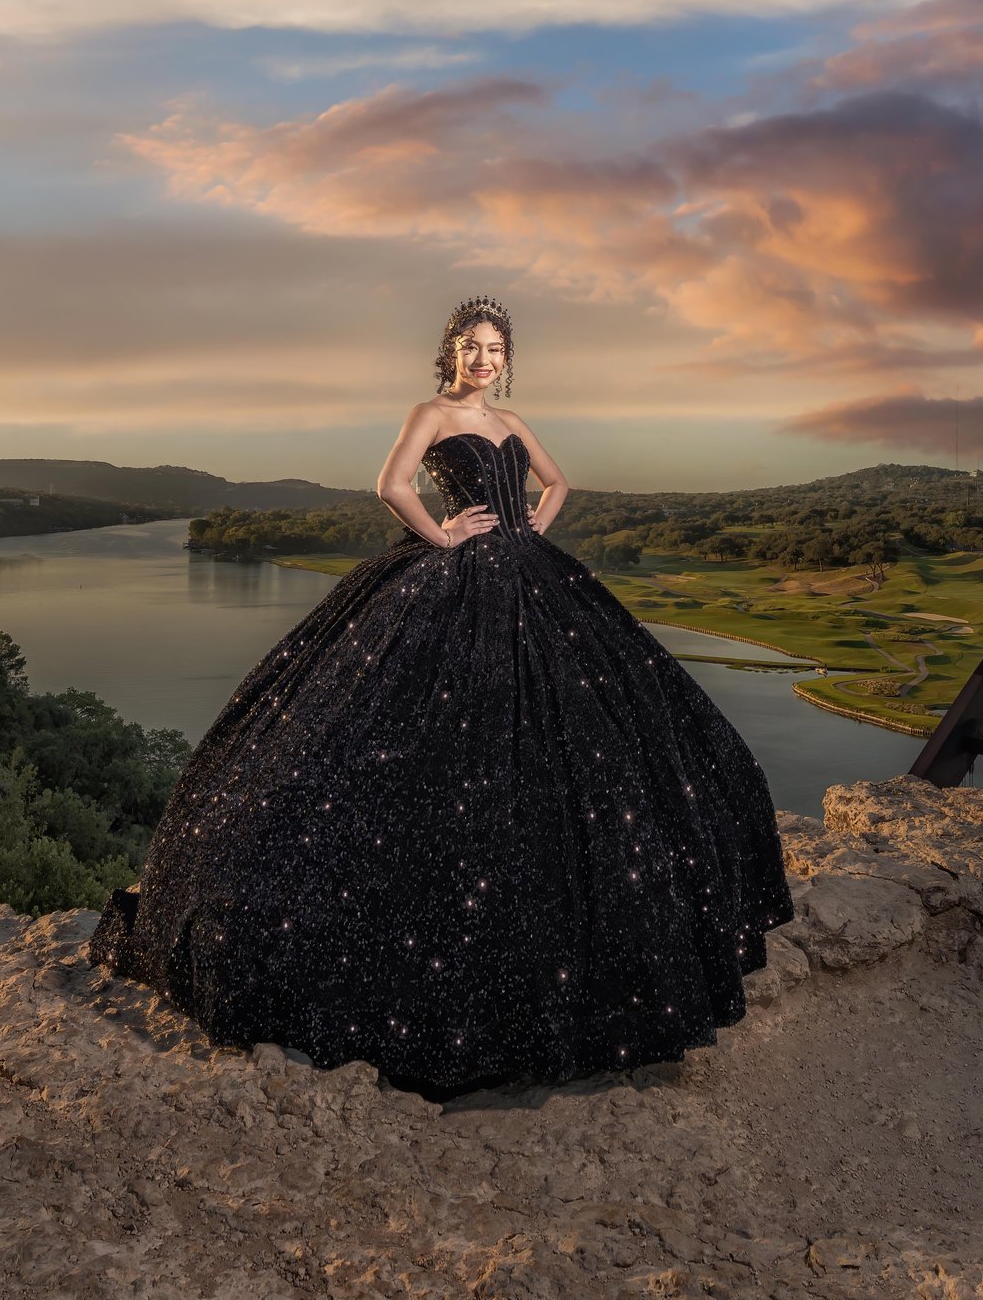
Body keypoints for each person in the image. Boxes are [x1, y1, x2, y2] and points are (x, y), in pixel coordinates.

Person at [93, 294, 794, 1098]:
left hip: (528, 571)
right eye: (473, 345)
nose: (484, 358)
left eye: (496, 348)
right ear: (451, 350)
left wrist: (531, 523)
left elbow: (560, 482)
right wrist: (444, 535)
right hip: (453, 576)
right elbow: (390, 485)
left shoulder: (514, 421)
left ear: (508, 357)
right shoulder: (430, 411)